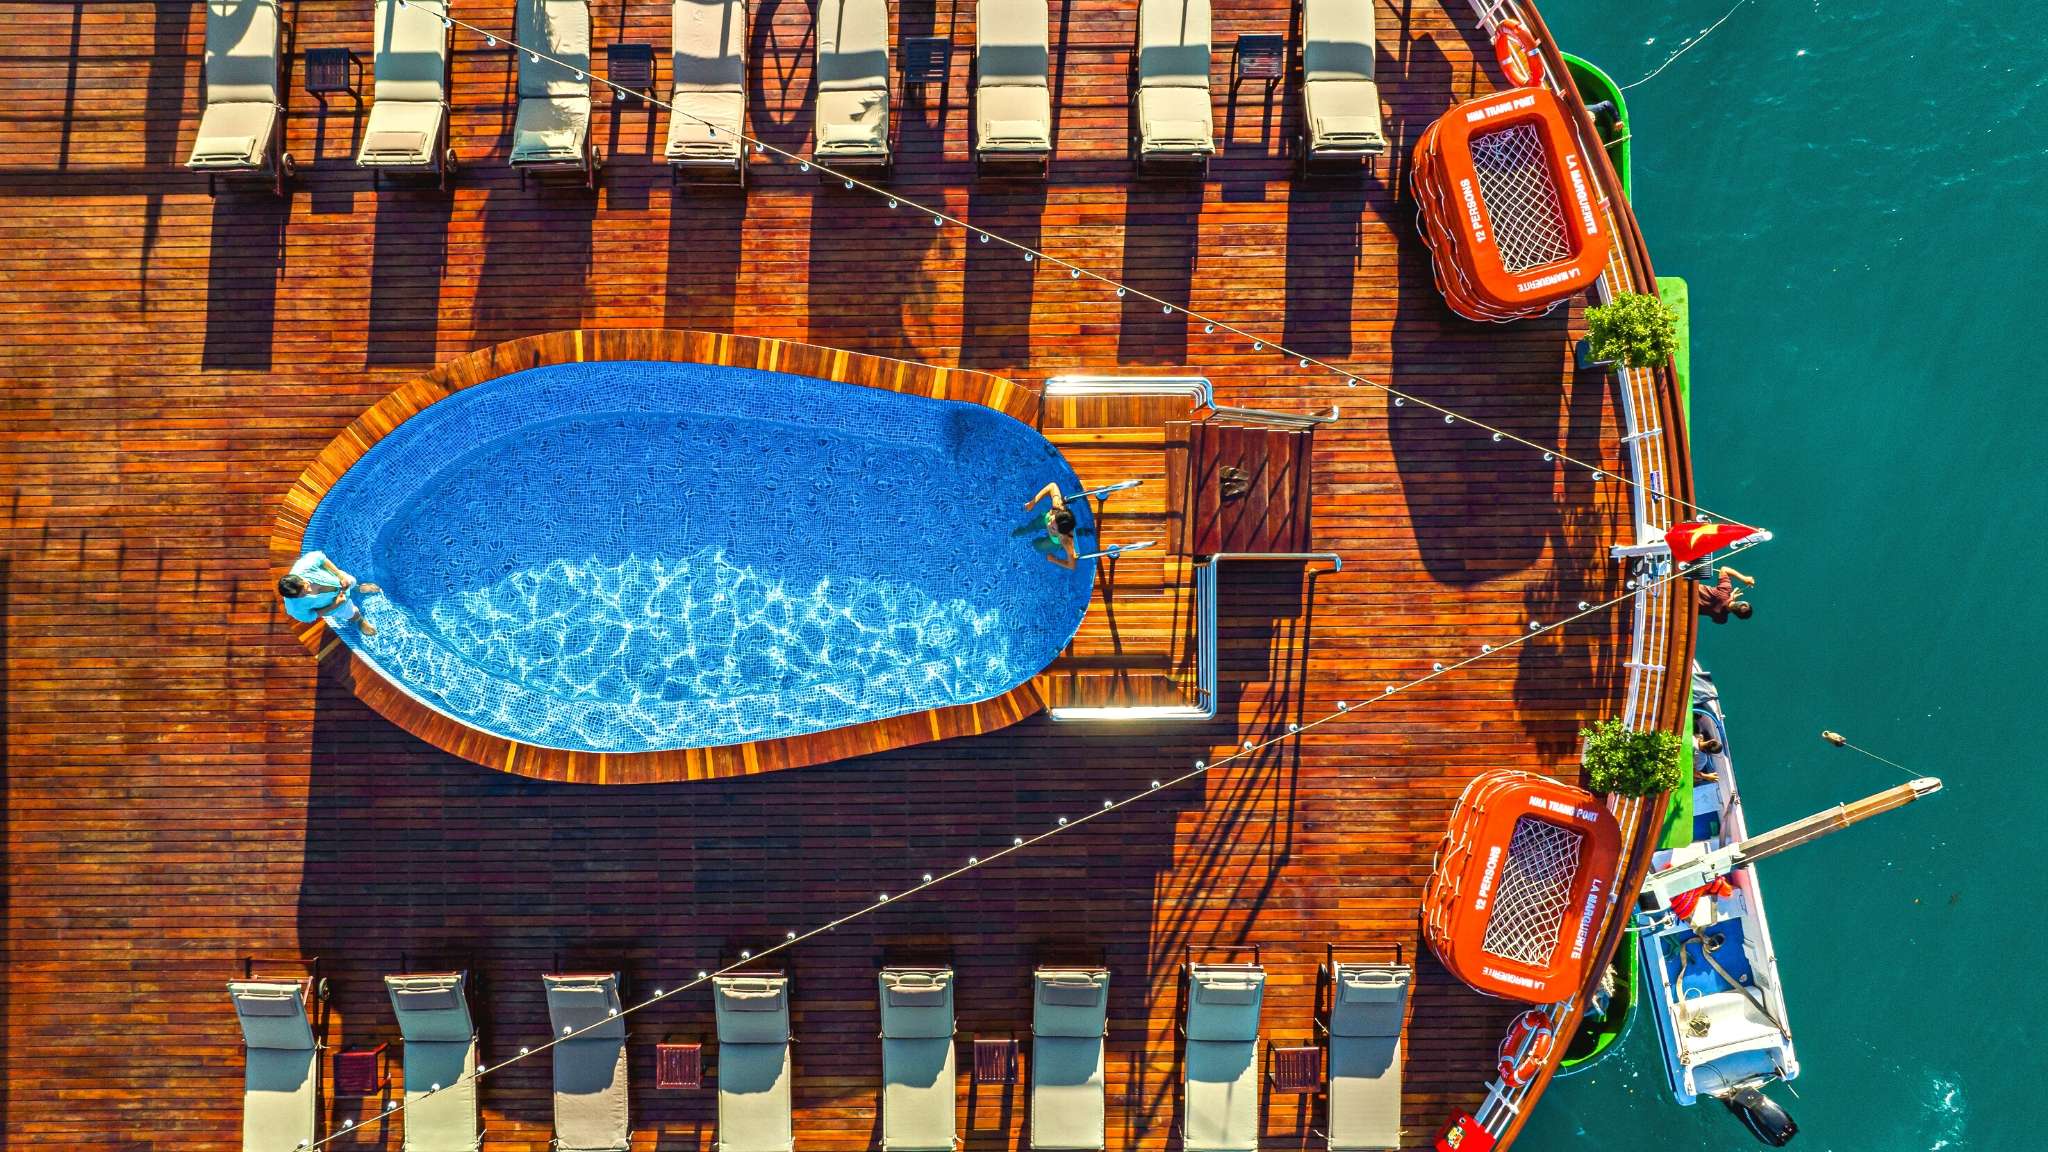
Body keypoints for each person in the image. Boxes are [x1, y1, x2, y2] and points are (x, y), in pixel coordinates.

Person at [279, 550, 381, 636]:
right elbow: (310, 616)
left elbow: (320, 557)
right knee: (354, 613)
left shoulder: (303, 568)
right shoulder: (295, 607)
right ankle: (360, 621)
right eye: (303, 595)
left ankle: (358, 588)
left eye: (307, 586)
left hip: (339, 580)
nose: (309, 591)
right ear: (295, 597)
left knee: (352, 581)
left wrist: (340, 575)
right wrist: (335, 604)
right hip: (335, 605)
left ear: (301, 579)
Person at [1015, 482, 1079, 570]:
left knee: (1037, 546)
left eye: (1053, 528)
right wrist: (1033, 502)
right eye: (1052, 519)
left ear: (1061, 533)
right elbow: (1052, 486)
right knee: (1029, 527)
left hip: (1054, 541)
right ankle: (1024, 531)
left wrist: (1054, 559)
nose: (1049, 524)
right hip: (1045, 519)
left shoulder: (1065, 540)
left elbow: (1072, 565)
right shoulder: (1057, 507)